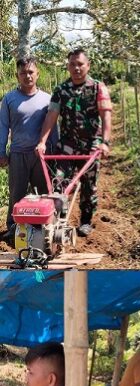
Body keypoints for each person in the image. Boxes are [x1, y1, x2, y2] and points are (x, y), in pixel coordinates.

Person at [35, 48, 112, 238]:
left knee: (88, 185)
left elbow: (106, 115)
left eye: (80, 64)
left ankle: (86, 221)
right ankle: (60, 219)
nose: (76, 68)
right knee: (59, 182)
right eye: (72, 64)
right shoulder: (61, 90)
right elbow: (52, 115)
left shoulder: (97, 87)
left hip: (90, 145)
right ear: (67, 66)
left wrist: (105, 142)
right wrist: (42, 142)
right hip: (67, 144)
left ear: (88, 65)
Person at [0, 57, 58, 245]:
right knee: (16, 193)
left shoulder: (46, 99)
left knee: (43, 193)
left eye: (31, 72)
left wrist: (54, 153)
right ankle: (13, 228)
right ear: (17, 75)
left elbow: (53, 129)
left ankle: (44, 226)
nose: (27, 76)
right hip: (17, 154)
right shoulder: (9, 99)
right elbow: (3, 127)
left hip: (40, 156)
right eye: (23, 72)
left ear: (37, 74)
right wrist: (1, 151)